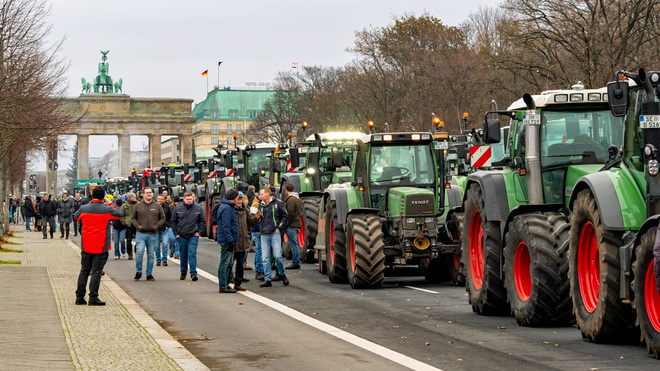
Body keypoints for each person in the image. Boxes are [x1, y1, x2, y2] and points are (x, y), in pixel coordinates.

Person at [74, 187, 123, 306]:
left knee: (84, 270)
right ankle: (93, 297)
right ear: (103, 197)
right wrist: (110, 202)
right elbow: (119, 214)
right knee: (96, 271)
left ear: (91, 196)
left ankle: (79, 297)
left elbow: (76, 217)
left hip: (87, 244)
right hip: (101, 246)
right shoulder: (107, 209)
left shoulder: (84, 208)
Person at [255, 186, 289, 287]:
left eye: (261, 194)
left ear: (268, 194)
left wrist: (279, 228)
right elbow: (259, 219)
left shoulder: (278, 203)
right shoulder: (260, 205)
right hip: (264, 233)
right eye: (259, 194)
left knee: (277, 256)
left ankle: (282, 274)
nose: (259, 196)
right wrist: (257, 219)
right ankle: (267, 278)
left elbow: (285, 216)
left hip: (275, 232)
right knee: (265, 258)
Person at [131, 187, 165, 281]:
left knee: (151, 254)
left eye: (150, 192)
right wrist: (138, 226)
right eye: (147, 193)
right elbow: (133, 218)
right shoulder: (138, 205)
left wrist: (157, 226)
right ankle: (138, 272)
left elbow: (162, 218)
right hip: (141, 233)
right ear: (143, 194)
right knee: (139, 252)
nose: (149, 194)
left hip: (153, 234)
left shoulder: (157, 205)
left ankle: (149, 274)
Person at [172, 191, 206, 281]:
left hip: (193, 235)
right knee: (183, 255)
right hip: (181, 235)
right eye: (187, 199)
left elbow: (202, 221)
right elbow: (173, 221)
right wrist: (176, 234)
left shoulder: (198, 208)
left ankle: (193, 273)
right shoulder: (178, 208)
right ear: (184, 199)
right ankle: (183, 272)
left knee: (192, 254)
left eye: (191, 199)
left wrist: (199, 232)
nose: (189, 201)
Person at [233, 192, 259, 291]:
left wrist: (256, 218)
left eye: (241, 199)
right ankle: (227, 281)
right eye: (238, 199)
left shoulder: (245, 210)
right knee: (229, 263)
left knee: (240, 264)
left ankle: (238, 283)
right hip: (233, 241)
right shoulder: (230, 210)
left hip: (243, 241)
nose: (239, 201)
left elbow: (251, 222)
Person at [216, 188, 239, 293]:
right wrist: (230, 240)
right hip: (227, 239)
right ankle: (223, 285)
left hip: (228, 238)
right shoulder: (227, 208)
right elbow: (226, 225)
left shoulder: (226, 206)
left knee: (229, 262)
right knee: (225, 262)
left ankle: (225, 284)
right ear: (234, 198)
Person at [284, 183, 302, 269]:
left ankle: (296, 262)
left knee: (294, 244)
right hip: (296, 223)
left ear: (286, 190)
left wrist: (287, 223)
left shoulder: (291, 200)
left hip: (292, 225)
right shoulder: (297, 199)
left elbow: (290, 213)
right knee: (295, 244)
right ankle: (296, 261)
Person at [156, 194, 173, 266]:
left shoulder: (167, 207)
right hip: (155, 229)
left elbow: (170, 218)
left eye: (161, 199)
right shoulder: (153, 207)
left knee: (165, 244)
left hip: (164, 229)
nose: (160, 200)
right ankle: (158, 260)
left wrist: (167, 226)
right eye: (158, 199)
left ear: (164, 200)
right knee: (156, 246)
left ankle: (164, 259)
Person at [121, 192, 137, 260]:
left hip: (137, 224)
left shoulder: (138, 205)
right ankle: (129, 253)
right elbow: (121, 215)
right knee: (129, 240)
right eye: (134, 196)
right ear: (130, 197)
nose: (135, 197)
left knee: (138, 239)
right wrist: (124, 222)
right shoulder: (125, 206)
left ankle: (137, 250)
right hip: (129, 224)